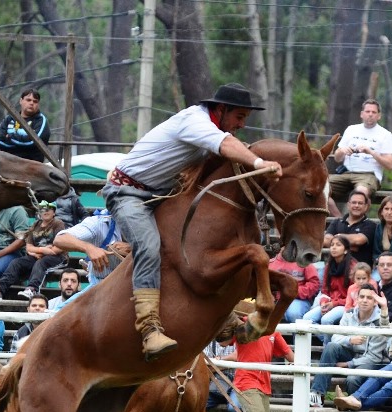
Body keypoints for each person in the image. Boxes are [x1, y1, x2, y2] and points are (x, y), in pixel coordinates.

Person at [102, 83, 281, 359]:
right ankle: (149, 329)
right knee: (149, 247)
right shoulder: (195, 121)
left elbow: (228, 148)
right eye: (239, 117)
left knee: (197, 245)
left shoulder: (209, 128)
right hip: (126, 193)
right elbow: (226, 145)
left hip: (161, 193)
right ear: (221, 110)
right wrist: (259, 163)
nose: (242, 124)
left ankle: (223, 316)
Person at [309, 283, 389, 407]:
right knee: (331, 346)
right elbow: (335, 337)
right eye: (362, 297)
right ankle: (317, 394)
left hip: (370, 361)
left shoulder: (380, 322)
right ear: (356, 299)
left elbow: (374, 357)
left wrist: (348, 364)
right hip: (351, 353)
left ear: (375, 302)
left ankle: (354, 410)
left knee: (352, 379)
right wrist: (350, 340)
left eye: (369, 298)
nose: (364, 300)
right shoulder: (349, 314)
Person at [231, 324, 294, 412]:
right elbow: (223, 341)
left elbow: (290, 356)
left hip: (264, 386)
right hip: (246, 382)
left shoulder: (273, 332)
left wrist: (297, 364)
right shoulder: (244, 323)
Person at [0, 200, 66, 300]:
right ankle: (0, 289)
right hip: (37, 256)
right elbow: (28, 246)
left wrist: (38, 252)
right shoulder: (35, 225)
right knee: (17, 262)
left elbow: (59, 247)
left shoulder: (58, 224)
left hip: (57, 257)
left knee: (41, 263)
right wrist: (42, 250)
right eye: (42, 209)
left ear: (54, 212)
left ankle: (32, 289)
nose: (45, 211)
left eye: (49, 209)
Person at [328, 99, 392, 201]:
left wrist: (371, 152)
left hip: (369, 175)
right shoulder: (351, 129)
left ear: (379, 116)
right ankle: (337, 212)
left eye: (374, 112)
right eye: (367, 111)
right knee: (319, 188)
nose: (370, 114)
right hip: (346, 173)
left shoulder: (385, 134)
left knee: (360, 193)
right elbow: (337, 158)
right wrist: (342, 151)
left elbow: (390, 165)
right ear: (362, 114)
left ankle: (359, 212)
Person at [53, 209, 127, 287]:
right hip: (100, 284)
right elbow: (60, 239)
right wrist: (89, 248)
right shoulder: (98, 222)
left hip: (133, 285)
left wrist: (133, 249)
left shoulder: (136, 222)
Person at [303, 235, 355, 327]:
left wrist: (334, 303)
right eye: (332, 245)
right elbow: (325, 290)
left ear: (346, 250)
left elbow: (354, 296)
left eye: (338, 245)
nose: (334, 247)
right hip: (330, 302)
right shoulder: (328, 266)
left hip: (346, 304)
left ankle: (328, 338)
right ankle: (326, 336)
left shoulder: (353, 268)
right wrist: (323, 302)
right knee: (306, 318)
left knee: (326, 319)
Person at [205, 335, 246, 412]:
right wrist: (230, 362)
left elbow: (240, 356)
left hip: (237, 384)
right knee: (196, 406)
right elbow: (206, 366)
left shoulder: (240, 338)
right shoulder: (210, 340)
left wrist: (219, 361)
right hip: (216, 384)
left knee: (235, 408)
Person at [0, 88, 51, 163]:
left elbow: (33, 143)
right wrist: (23, 147)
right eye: (28, 100)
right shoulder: (9, 119)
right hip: (8, 163)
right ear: (21, 101)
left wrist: (10, 136)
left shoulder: (41, 121)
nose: (31, 103)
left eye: (35, 101)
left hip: (31, 165)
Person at [324, 189, 377, 266]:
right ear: (348, 205)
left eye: (360, 203)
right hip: (335, 267)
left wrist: (337, 239)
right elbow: (326, 241)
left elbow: (358, 240)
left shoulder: (370, 225)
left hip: (359, 270)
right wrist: (352, 246)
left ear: (366, 206)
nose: (356, 206)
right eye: (354, 202)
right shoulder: (336, 222)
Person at [268, 252, 319, 323]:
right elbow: (263, 282)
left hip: (297, 299)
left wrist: (293, 292)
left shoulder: (304, 261)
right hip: (273, 298)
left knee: (293, 313)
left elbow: (314, 283)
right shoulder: (270, 262)